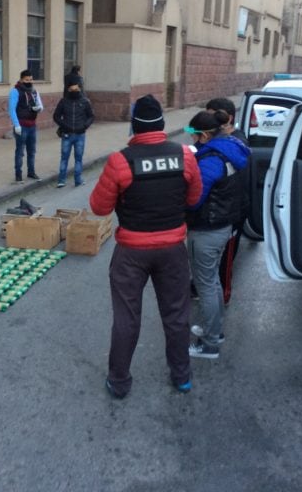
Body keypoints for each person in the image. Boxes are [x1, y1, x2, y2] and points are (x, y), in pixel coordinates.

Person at [89, 95, 202, 398]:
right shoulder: (185, 156)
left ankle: (119, 381)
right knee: (177, 315)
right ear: (162, 125)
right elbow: (193, 198)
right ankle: (182, 377)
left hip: (131, 253)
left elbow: (99, 208)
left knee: (127, 318)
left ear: (134, 126)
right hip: (173, 250)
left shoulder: (120, 160)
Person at [184, 110, 250, 359]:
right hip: (223, 226)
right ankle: (216, 330)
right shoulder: (233, 148)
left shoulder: (211, 161)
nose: (192, 142)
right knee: (212, 281)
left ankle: (210, 343)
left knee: (206, 285)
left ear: (203, 136)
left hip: (206, 229)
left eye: (194, 136)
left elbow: (194, 200)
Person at [205, 97, 250, 306]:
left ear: (228, 118)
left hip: (232, 213)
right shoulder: (216, 139)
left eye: (212, 115)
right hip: (215, 212)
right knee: (209, 256)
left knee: (226, 257)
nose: (208, 120)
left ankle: (223, 293)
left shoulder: (238, 144)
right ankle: (202, 286)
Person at [53, 77, 94, 188]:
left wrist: (85, 126)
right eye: (72, 89)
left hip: (80, 134)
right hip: (67, 134)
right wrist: (64, 125)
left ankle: (78, 180)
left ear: (80, 89)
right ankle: (61, 180)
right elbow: (56, 116)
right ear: (68, 89)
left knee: (78, 158)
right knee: (64, 157)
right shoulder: (63, 101)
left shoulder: (85, 101)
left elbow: (91, 116)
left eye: (76, 89)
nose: (75, 91)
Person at [8, 69, 44, 182]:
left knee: (32, 151)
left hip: (32, 125)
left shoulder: (34, 91)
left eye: (31, 79)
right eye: (26, 80)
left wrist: (39, 109)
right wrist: (16, 125)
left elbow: (40, 104)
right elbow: (12, 109)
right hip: (21, 126)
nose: (29, 81)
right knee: (20, 151)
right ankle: (18, 175)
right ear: (21, 79)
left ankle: (31, 172)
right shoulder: (15, 91)